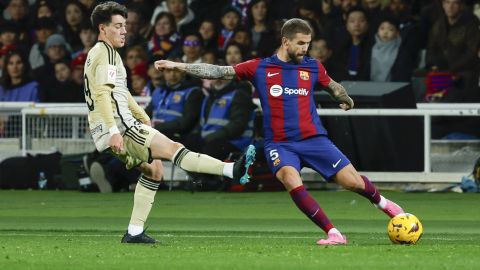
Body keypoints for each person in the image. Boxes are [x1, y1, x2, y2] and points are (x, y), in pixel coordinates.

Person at [155, 18, 406, 245]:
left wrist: (345, 98)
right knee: (289, 177)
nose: (305, 48)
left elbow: (333, 86)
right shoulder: (259, 68)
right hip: (280, 143)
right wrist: (179, 65)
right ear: (285, 41)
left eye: (308, 43)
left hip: (314, 139)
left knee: (351, 182)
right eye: (300, 43)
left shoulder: (313, 67)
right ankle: (333, 232)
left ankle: (383, 204)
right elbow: (220, 71)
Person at [86, 1, 254, 244]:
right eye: (119, 26)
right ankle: (230, 170)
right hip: (120, 127)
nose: (124, 30)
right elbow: (102, 94)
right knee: (174, 149)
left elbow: (118, 91)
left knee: (154, 170)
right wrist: (114, 131)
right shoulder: (106, 54)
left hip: (111, 125)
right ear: (103, 28)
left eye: (125, 26)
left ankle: (134, 232)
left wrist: (140, 113)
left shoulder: (98, 54)